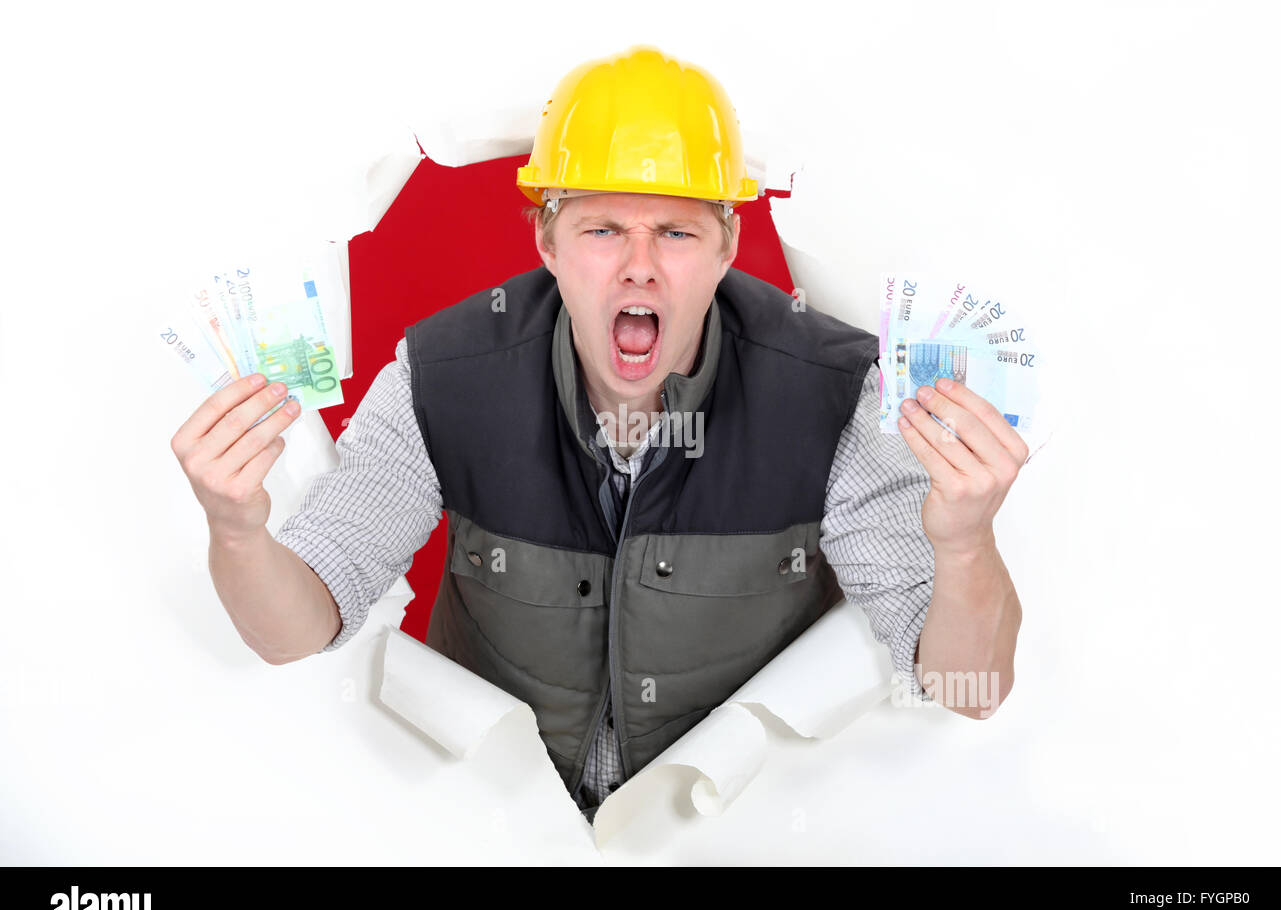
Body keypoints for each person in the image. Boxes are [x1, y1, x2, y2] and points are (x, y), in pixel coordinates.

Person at [170, 46, 1027, 823]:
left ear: (729, 242)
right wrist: (238, 534)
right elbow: (297, 630)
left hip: (738, 833)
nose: (639, 265)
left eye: (677, 231)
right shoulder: (443, 376)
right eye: (603, 229)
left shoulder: (833, 395)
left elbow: (968, 687)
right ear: (547, 238)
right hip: (493, 826)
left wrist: (963, 551)